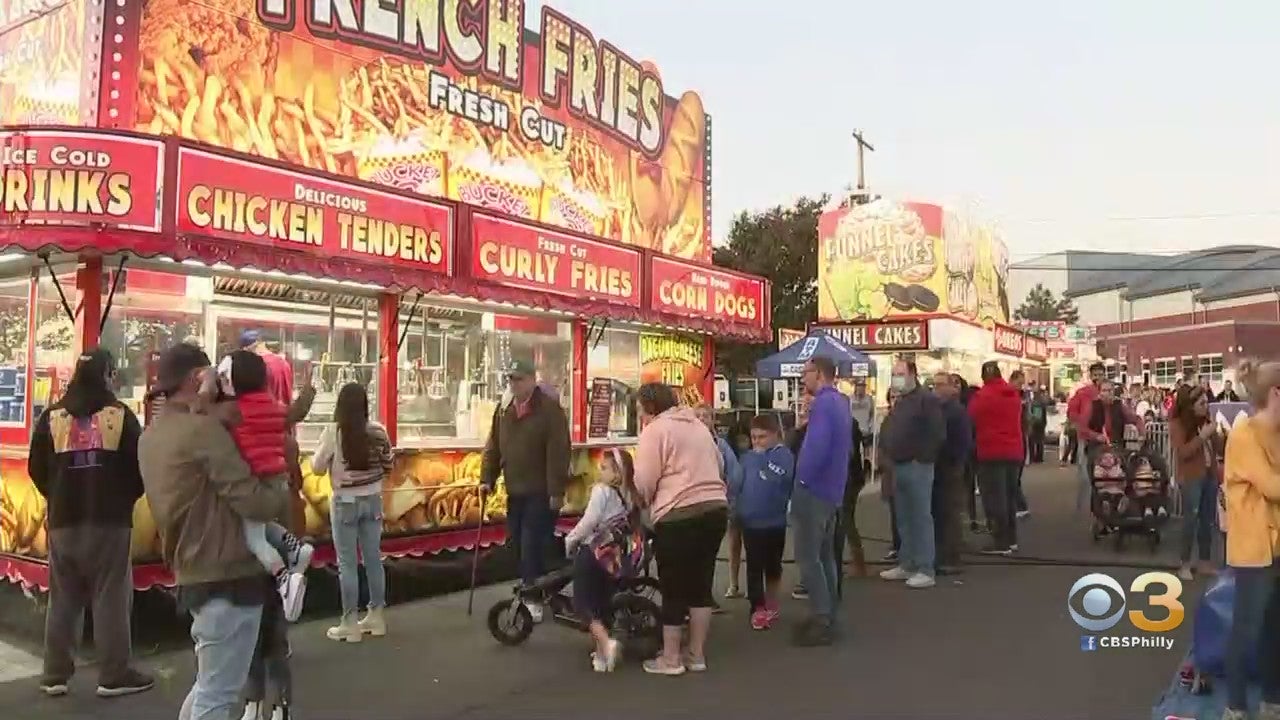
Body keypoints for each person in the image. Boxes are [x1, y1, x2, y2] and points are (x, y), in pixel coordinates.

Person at [139, 343, 288, 720]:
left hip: (192, 569)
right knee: (218, 695)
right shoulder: (202, 431)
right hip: (229, 573)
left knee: (209, 686)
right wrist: (278, 471)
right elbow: (257, 502)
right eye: (212, 375)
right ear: (196, 378)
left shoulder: (152, 436)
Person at [29, 349, 153, 698]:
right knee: (111, 595)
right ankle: (113, 675)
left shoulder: (52, 417)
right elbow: (139, 467)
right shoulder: (120, 416)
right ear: (108, 374)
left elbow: (36, 468)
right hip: (110, 520)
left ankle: (55, 675)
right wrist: (124, 497)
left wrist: (57, 494)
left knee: (63, 597)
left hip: (64, 519)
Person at [633, 383, 726, 675]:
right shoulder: (697, 426)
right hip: (714, 509)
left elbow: (644, 481)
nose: (640, 416)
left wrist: (638, 501)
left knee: (673, 586)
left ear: (649, 407)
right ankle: (696, 655)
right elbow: (720, 464)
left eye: (639, 410)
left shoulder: (655, 431)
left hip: (678, 513)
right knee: (701, 584)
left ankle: (670, 659)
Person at [217, 350, 313, 621]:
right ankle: (295, 548)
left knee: (255, 539)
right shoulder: (275, 407)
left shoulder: (233, 411)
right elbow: (297, 412)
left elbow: (206, 416)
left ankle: (284, 579)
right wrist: (309, 388)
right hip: (278, 480)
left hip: (254, 480)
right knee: (264, 527)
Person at [480, 360, 571, 623]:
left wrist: (556, 490)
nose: (514, 384)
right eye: (511, 379)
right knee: (519, 542)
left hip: (540, 489)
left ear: (532, 380)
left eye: (519, 379)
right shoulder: (504, 408)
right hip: (514, 488)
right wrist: (487, 477)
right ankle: (542, 587)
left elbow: (559, 452)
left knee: (532, 542)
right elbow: (493, 445)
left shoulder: (550, 410)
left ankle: (532, 596)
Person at [1220, 359, 1280, 720]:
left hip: (1277, 547)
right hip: (1253, 549)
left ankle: (1272, 700)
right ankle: (1235, 706)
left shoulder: (1275, 433)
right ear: (1276, 393)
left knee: (1276, 628)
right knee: (1246, 629)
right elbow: (1272, 487)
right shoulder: (1244, 433)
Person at [313, 383, 393, 642]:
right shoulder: (379, 431)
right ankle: (377, 617)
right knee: (373, 559)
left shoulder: (333, 433)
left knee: (347, 563)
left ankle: (350, 622)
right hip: (373, 501)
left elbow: (315, 468)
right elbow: (389, 464)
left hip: (345, 504)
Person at [790, 357, 852, 644]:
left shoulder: (824, 405)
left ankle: (821, 615)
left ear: (820, 374)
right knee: (825, 554)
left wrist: (801, 479)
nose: (803, 378)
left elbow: (816, 447)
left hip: (813, 489)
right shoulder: (840, 402)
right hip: (832, 490)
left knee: (808, 556)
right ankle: (828, 611)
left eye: (806, 373)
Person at [564, 447, 640, 673]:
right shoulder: (628, 494)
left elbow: (590, 521)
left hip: (593, 552)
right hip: (614, 556)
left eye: (605, 467)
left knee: (584, 603)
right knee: (602, 601)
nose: (600, 470)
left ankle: (607, 644)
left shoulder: (601, 491)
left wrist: (571, 539)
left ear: (617, 472)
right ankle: (601, 654)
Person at [877, 360, 943, 589]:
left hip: (917, 466)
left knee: (920, 518)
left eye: (900, 374)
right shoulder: (902, 401)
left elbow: (937, 433)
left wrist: (922, 457)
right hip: (899, 465)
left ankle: (925, 568)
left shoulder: (926, 400)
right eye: (894, 374)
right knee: (904, 517)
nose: (896, 378)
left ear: (912, 374)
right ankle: (907, 563)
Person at [730, 414, 794, 631]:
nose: (757, 442)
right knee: (754, 566)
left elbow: (780, 477)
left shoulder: (783, 455)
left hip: (775, 521)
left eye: (762, 437)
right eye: (754, 437)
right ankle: (757, 607)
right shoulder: (746, 457)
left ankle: (772, 600)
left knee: (773, 565)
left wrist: (761, 459)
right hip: (751, 521)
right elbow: (737, 482)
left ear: (775, 435)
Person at [968, 362, 1025, 556]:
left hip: (990, 453)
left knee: (994, 499)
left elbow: (971, 419)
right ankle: (1011, 540)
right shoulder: (1013, 395)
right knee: (1009, 497)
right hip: (1014, 452)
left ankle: (1000, 542)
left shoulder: (981, 397)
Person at [1169, 384, 1220, 581]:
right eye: (1202, 403)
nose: (1206, 406)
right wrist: (1202, 436)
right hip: (1191, 477)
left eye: (1207, 402)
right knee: (1191, 519)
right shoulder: (1178, 424)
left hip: (1209, 474)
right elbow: (1183, 453)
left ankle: (1205, 561)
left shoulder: (1206, 421)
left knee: (1207, 519)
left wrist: (1216, 434)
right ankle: (1185, 563)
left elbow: (1218, 448)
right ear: (1191, 406)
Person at [694, 404, 744, 602]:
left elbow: (735, 473)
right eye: (697, 415)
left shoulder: (720, 445)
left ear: (713, 420)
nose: (702, 418)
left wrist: (727, 497)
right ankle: (701, 594)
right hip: (695, 504)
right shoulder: (687, 444)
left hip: (716, 504)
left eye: (706, 415)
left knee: (712, 549)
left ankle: (730, 585)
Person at [932, 372, 972, 573]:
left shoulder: (955, 411)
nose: (936, 389)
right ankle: (943, 556)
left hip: (950, 467)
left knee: (949, 513)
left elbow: (962, 441)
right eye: (934, 385)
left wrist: (953, 459)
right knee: (941, 513)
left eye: (940, 385)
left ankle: (951, 559)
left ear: (952, 387)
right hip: (941, 467)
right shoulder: (939, 409)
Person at [1068, 362, 1107, 510]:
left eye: (1100, 374)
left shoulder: (1107, 392)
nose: (1098, 377)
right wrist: (1078, 423)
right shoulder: (1083, 393)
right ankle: (1083, 506)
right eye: (1095, 375)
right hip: (1085, 437)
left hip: (1103, 437)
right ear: (1091, 376)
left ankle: (1100, 502)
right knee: (1085, 472)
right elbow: (1072, 410)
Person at [1008, 369, 1032, 518]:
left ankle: (1020, 505)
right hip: (1015, 436)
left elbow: (1026, 418)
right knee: (1013, 476)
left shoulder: (1022, 397)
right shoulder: (1012, 397)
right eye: (1019, 383)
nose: (1020, 386)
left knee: (1014, 476)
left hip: (1019, 436)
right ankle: (1018, 505)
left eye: (1022, 383)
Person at [1026, 382, 1051, 464]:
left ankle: (1032, 457)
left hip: (1034, 423)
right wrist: (1044, 423)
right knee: (1040, 441)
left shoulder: (1033, 403)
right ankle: (1039, 457)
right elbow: (1044, 414)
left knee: (1032, 441)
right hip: (1041, 423)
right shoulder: (1042, 403)